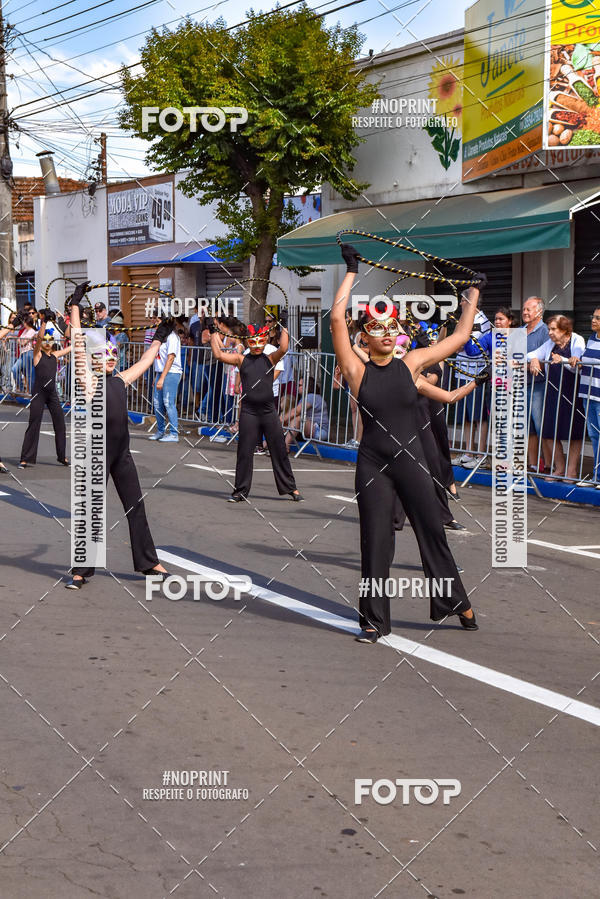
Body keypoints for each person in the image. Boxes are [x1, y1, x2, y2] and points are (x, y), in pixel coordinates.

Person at [331, 243, 481, 643]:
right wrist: (351, 271)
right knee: (375, 541)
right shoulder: (354, 369)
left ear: (398, 332)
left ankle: (456, 601)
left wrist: (473, 292)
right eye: (375, 328)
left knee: (432, 530)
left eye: (390, 327)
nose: (385, 333)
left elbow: (463, 334)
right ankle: (373, 621)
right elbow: (335, 318)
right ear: (365, 336)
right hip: (372, 462)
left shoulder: (412, 362)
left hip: (411, 461)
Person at [65, 283, 170, 589]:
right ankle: (81, 570)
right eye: (105, 355)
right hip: (96, 453)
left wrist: (160, 336)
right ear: (96, 359)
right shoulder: (88, 381)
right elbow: (78, 339)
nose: (111, 359)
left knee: (135, 505)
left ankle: (149, 562)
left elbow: (147, 360)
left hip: (122, 455)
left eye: (114, 355)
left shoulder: (122, 380)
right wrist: (75, 305)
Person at [209, 315, 303, 503]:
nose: (257, 345)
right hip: (249, 412)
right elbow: (219, 355)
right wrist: (213, 333)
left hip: (268, 411)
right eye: (253, 341)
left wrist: (284, 326)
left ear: (266, 339)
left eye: (261, 341)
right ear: (248, 342)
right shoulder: (241, 359)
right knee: (244, 451)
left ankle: (291, 488)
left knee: (278, 449)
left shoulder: (270, 358)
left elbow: (284, 347)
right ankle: (240, 491)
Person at [528, 315, 585, 481]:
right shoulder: (550, 344)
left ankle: (571, 470)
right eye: (549, 329)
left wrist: (564, 360)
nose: (550, 332)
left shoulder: (577, 340)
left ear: (564, 330)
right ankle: (559, 468)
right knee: (549, 432)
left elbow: (578, 366)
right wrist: (533, 360)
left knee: (574, 433)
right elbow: (532, 354)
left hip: (572, 392)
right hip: (553, 393)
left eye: (554, 329)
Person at [18, 321, 72, 469]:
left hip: (52, 394)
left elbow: (70, 348)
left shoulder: (54, 355)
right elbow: (40, 339)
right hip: (39, 393)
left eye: (50, 340)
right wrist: (43, 324)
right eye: (45, 341)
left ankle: (62, 457)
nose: (47, 343)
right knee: (34, 423)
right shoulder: (37, 355)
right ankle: (25, 458)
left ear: (53, 342)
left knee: (60, 424)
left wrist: (82, 340)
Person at [452, 293, 492, 469]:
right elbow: (455, 340)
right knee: (467, 417)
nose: (460, 303)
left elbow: (462, 344)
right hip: (462, 374)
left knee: (478, 416)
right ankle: (469, 452)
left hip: (476, 375)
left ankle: (480, 454)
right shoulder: (464, 318)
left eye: (463, 300)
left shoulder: (480, 321)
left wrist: (456, 341)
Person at [521, 296, 550, 471]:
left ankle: (548, 464)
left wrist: (521, 364)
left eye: (528, 309)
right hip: (521, 385)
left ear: (539, 311)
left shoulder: (545, 331)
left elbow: (544, 361)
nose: (524, 312)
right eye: (524, 309)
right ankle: (533, 464)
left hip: (539, 385)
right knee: (528, 427)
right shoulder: (520, 331)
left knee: (541, 426)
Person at [577, 307, 600, 487]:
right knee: (593, 435)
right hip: (588, 394)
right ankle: (596, 476)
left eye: (598, 318)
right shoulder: (592, 339)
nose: (594, 320)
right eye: (593, 317)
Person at [151, 324, 182, 442]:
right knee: (157, 403)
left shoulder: (172, 337)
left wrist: (162, 377)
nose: (154, 323)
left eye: (156, 320)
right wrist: (157, 376)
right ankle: (160, 431)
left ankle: (174, 433)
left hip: (172, 372)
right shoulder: (160, 336)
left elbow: (170, 358)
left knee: (168, 402)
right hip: (160, 372)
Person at [283, 377, 330, 451]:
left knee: (296, 419)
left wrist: (281, 420)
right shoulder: (304, 398)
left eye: (300, 385)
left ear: (307, 387)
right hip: (310, 429)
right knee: (288, 421)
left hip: (320, 431)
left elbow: (297, 411)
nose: (297, 387)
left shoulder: (312, 396)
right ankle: (268, 444)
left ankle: (285, 447)